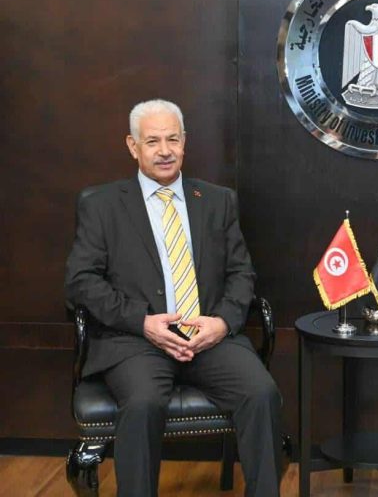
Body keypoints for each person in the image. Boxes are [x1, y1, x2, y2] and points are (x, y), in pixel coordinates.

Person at [65, 99, 282, 496]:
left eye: (173, 139)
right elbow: (81, 282)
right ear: (133, 146)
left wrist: (221, 324)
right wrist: (142, 322)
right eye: (152, 141)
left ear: (185, 142)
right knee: (143, 403)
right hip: (136, 341)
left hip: (209, 337)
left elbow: (241, 273)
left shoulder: (217, 201)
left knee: (261, 392)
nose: (164, 150)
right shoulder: (103, 205)